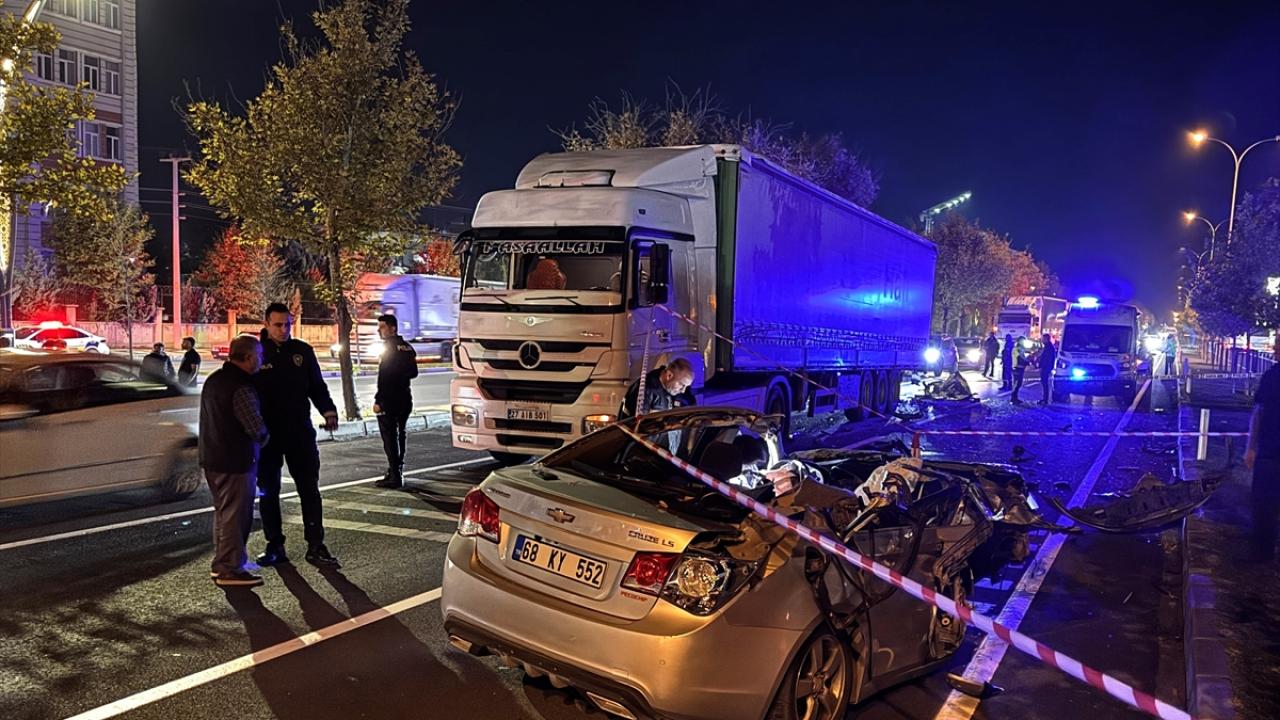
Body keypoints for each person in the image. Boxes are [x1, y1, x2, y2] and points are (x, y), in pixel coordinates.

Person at [254, 302, 341, 568]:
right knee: (269, 492)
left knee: (309, 490)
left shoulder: (302, 351)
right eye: (278, 325)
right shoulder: (256, 352)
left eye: (287, 324)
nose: (283, 330)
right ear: (267, 324)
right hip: (267, 437)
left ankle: (316, 545)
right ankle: (275, 545)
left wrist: (328, 411)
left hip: (299, 433)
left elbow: (316, 385)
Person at [199, 335, 269, 587]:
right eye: (259, 355)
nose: (261, 360)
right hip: (235, 460)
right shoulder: (241, 386)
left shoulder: (215, 380)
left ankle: (222, 562)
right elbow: (255, 427)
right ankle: (230, 567)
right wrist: (265, 438)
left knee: (223, 513)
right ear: (249, 357)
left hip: (212, 457)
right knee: (235, 517)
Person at [372, 314, 418, 489]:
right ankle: (396, 470)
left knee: (390, 437)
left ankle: (395, 475)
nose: (379, 330)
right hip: (405, 397)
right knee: (401, 434)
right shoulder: (407, 347)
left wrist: (379, 400)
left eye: (382, 327)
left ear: (393, 328)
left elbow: (384, 377)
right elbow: (414, 373)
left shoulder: (388, 348)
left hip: (389, 399)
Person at [1245, 346, 1280, 561]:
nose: (1275, 347)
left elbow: (1259, 413)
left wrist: (1251, 446)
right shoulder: (1272, 376)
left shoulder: (1272, 377)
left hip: (1269, 450)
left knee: (1263, 503)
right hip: (1269, 450)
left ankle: (1262, 553)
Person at [619, 357, 696, 420]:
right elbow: (639, 426)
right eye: (681, 385)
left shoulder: (669, 386)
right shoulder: (646, 390)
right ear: (669, 375)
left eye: (686, 386)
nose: (683, 390)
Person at [1037, 333, 1058, 405]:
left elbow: (1046, 359)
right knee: (1044, 384)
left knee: (1045, 384)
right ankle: (1045, 398)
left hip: (1046, 368)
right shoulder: (1049, 347)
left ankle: (1045, 399)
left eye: (1043, 339)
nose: (1042, 340)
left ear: (1046, 339)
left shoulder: (1048, 347)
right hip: (1047, 367)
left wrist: (1042, 366)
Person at [1010, 337, 1030, 404]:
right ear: (1019, 341)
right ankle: (1013, 398)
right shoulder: (1018, 349)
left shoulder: (1018, 348)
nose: (1023, 342)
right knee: (1017, 383)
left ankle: (1015, 398)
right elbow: (1021, 358)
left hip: (1018, 367)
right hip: (1017, 368)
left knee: (1017, 383)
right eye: (1022, 341)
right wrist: (1028, 362)